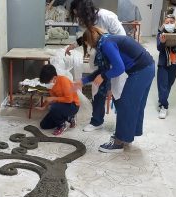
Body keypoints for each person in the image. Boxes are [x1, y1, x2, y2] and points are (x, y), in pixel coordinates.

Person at [75, 27, 155, 153]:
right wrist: (82, 81)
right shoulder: (107, 40)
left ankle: (119, 142)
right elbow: (103, 69)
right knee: (135, 105)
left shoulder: (106, 45)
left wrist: (103, 76)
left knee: (125, 104)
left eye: (87, 44)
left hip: (141, 70)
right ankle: (128, 136)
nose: (89, 47)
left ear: (88, 40)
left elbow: (119, 68)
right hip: (146, 67)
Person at [66, 0, 126, 133]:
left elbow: (123, 40)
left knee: (118, 92)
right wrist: (74, 45)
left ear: (86, 11)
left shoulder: (107, 17)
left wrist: (111, 65)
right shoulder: (89, 21)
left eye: (79, 15)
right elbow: (88, 37)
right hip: (100, 57)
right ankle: (97, 121)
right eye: (76, 16)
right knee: (97, 89)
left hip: (116, 59)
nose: (78, 19)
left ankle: (122, 125)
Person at [38, 64, 80, 136]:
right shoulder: (52, 86)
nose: (47, 84)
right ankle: (68, 118)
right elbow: (52, 100)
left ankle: (62, 125)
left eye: (48, 82)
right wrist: (44, 107)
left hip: (73, 105)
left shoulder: (63, 80)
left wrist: (53, 99)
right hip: (61, 106)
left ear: (54, 77)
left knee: (53, 107)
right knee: (44, 125)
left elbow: (69, 99)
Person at [156, 14, 176, 119]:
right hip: (163, 62)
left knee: (168, 85)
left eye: (171, 22)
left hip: (174, 62)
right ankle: (164, 106)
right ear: (163, 23)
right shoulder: (160, 34)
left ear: (175, 23)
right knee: (162, 84)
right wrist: (162, 43)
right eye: (167, 22)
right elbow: (159, 48)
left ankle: (162, 100)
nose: (169, 24)